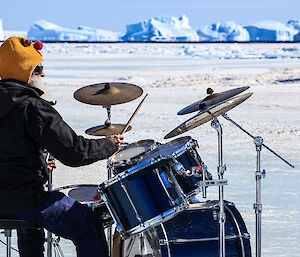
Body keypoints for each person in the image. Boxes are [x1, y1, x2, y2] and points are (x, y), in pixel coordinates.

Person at [0, 37, 124, 257]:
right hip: (26, 200)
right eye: (38, 68)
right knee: (87, 223)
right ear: (26, 71)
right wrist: (109, 145)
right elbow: (74, 152)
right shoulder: (33, 107)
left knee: (30, 221)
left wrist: (37, 161)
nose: (43, 74)